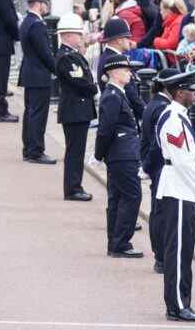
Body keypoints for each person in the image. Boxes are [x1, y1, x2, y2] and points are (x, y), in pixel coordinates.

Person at [156, 71, 195, 323]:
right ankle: (177, 305)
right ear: (179, 93)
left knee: (184, 250)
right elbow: (182, 160)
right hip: (178, 188)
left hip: (183, 187)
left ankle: (182, 302)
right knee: (177, 252)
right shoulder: (173, 119)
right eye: (192, 91)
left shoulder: (180, 116)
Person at [95, 54, 143, 259]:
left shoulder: (116, 93)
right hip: (122, 154)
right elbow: (106, 129)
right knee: (131, 196)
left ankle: (115, 242)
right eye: (125, 70)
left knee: (117, 197)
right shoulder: (113, 96)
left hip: (121, 153)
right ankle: (121, 242)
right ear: (114, 73)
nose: (129, 73)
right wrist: (98, 154)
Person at [141, 68, 179, 275]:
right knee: (162, 212)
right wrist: (147, 166)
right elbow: (158, 143)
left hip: (156, 166)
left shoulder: (156, 103)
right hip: (161, 167)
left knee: (160, 211)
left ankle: (162, 256)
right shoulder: (162, 108)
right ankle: (162, 257)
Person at [55, 14, 96, 202]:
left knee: (77, 150)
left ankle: (74, 185)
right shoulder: (66, 57)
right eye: (78, 34)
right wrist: (93, 88)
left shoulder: (73, 54)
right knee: (75, 151)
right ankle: (72, 188)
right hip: (74, 109)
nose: (81, 38)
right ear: (68, 35)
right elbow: (80, 81)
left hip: (78, 109)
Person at [18, 0, 57, 165]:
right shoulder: (37, 25)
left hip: (29, 73)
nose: (47, 7)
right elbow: (45, 54)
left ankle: (29, 148)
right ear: (39, 3)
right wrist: (59, 71)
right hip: (38, 75)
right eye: (45, 3)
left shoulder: (28, 21)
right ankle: (36, 150)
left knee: (30, 113)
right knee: (38, 115)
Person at [97, 18, 146, 121]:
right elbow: (129, 92)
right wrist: (145, 112)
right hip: (122, 117)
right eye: (127, 37)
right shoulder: (113, 60)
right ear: (119, 40)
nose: (130, 41)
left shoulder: (110, 57)